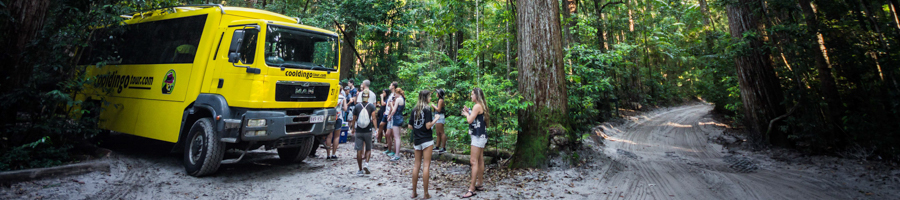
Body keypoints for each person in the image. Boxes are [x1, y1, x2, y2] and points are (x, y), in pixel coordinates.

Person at [408, 90, 439, 199]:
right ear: (425, 98)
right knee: (426, 165)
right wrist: (436, 119)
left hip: (417, 140)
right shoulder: (427, 109)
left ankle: (414, 192)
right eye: (429, 96)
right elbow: (427, 126)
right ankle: (425, 193)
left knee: (416, 165)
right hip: (426, 140)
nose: (430, 98)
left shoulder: (414, 110)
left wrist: (417, 129)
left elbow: (410, 126)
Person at [460, 87, 489, 198]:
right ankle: (479, 184)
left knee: (473, 161)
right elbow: (477, 117)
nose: (471, 96)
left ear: (476, 95)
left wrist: (467, 114)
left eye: (472, 94)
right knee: (480, 159)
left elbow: (470, 120)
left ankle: (471, 189)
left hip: (478, 137)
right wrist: (469, 111)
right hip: (481, 135)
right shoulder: (479, 106)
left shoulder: (477, 106)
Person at [350, 91, 376, 176]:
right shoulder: (371, 106)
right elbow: (374, 118)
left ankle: (360, 170)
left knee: (359, 149)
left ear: (361, 97)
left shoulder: (357, 106)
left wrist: (353, 128)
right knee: (368, 149)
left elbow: (354, 119)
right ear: (368, 97)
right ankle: (366, 164)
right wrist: (376, 129)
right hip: (368, 130)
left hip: (359, 131)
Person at [326, 84, 348, 160]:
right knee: (337, 136)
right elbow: (345, 109)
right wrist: (341, 107)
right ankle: (334, 154)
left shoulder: (330, 97)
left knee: (329, 136)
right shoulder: (343, 98)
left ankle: (328, 154)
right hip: (339, 117)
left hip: (330, 117)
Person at [386, 82, 406, 161]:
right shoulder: (403, 99)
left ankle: (397, 154)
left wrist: (390, 116)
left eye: (395, 95)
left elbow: (394, 110)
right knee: (398, 137)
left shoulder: (398, 99)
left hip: (396, 118)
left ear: (397, 93)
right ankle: (397, 153)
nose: (394, 96)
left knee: (396, 137)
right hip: (400, 118)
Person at [431, 89, 447, 153]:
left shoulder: (440, 100)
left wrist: (433, 106)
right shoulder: (439, 100)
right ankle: (437, 146)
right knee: (438, 133)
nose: (436, 94)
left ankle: (443, 147)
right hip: (438, 117)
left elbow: (439, 109)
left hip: (440, 117)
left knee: (441, 132)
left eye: (437, 93)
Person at [381, 89, 395, 156]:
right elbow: (390, 107)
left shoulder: (398, 99)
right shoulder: (391, 96)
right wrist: (388, 114)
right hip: (389, 116)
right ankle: (389, 149)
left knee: (393, 135)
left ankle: (394, 151)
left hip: (394, 118)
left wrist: (391, 104)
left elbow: (393, 108)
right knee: (387, 134)